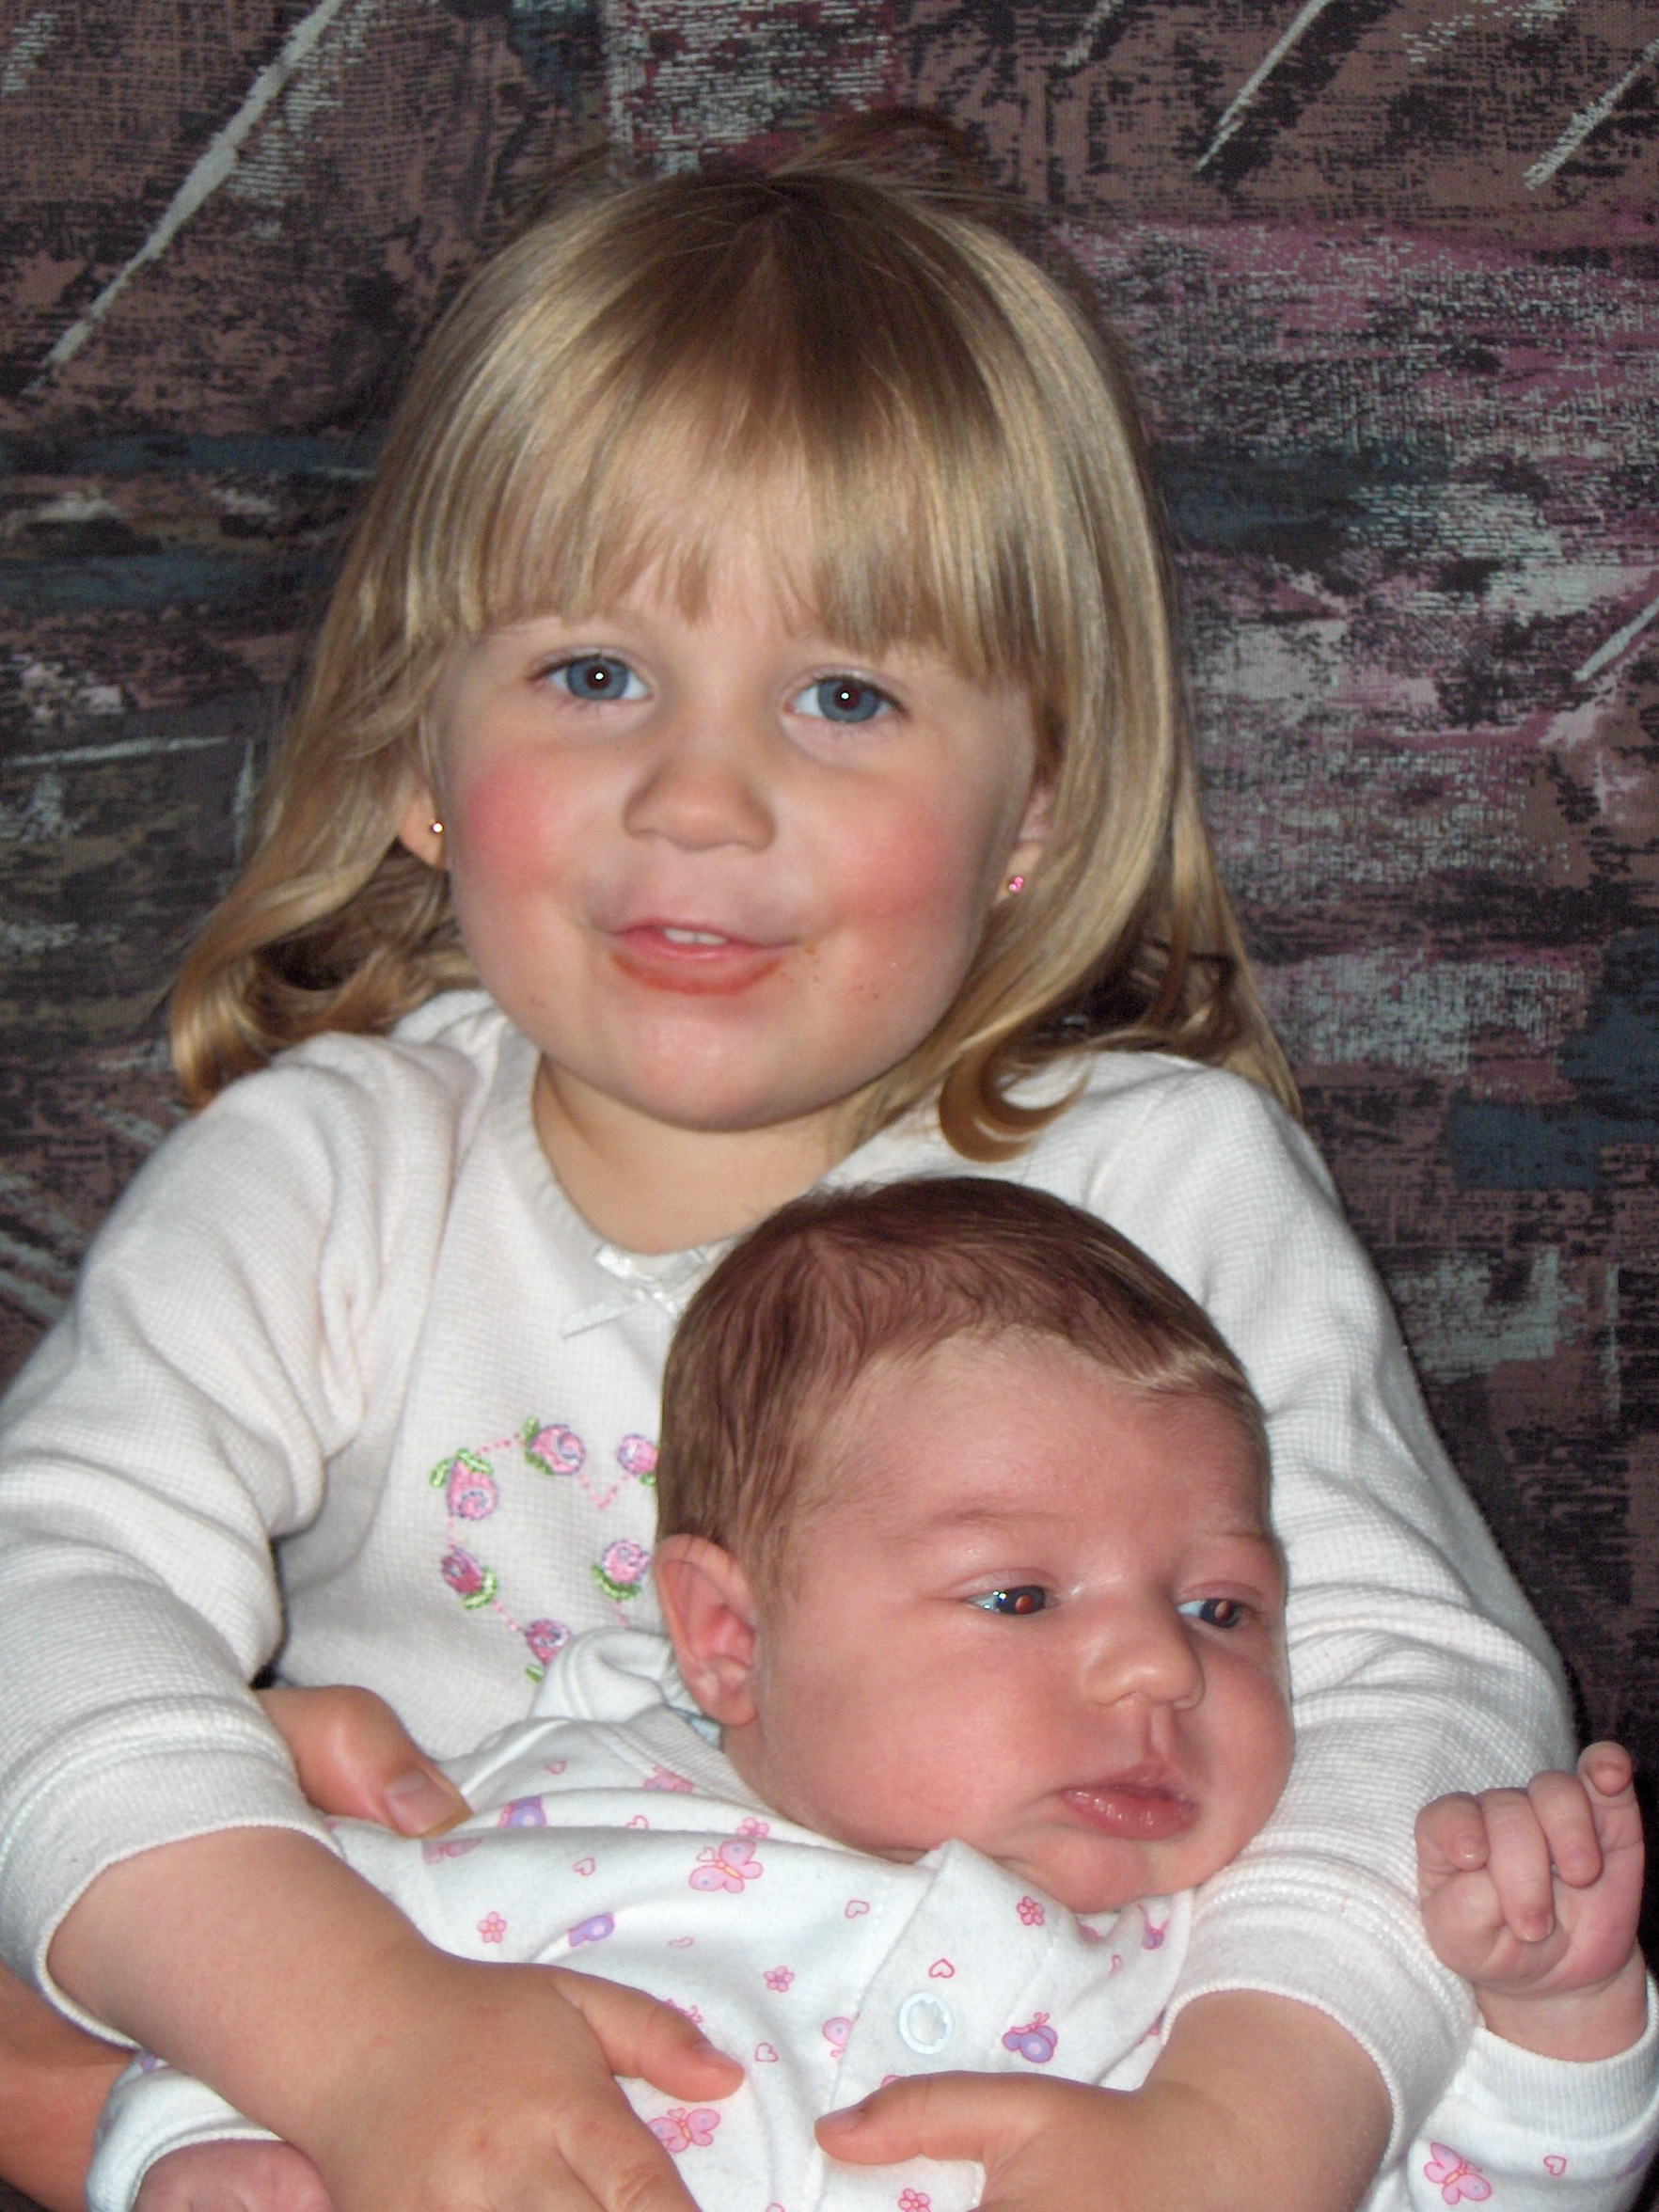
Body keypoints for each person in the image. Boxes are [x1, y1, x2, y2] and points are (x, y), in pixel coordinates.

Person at [0, 111, 1578, 2212]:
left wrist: (1241, 2130)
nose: (701, 798)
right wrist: (345, 2029)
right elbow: (51, 1587)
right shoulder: (329, 1182)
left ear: (1033, 813)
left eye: (841, 694)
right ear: (413, 757)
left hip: (1068, 2097)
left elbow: (1424, 1697)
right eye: (593, 674)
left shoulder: (1159, 1189)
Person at [89, 1183, 1658, 2212]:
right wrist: (202, 2159)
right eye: (1018, 1597)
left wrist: (1560, 2018)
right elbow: (254, 2019)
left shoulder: (1234, 1972)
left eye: (1222, 1609)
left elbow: (1477, 2186)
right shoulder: (530, 1817)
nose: (1163, 1669)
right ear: (729, 1636)